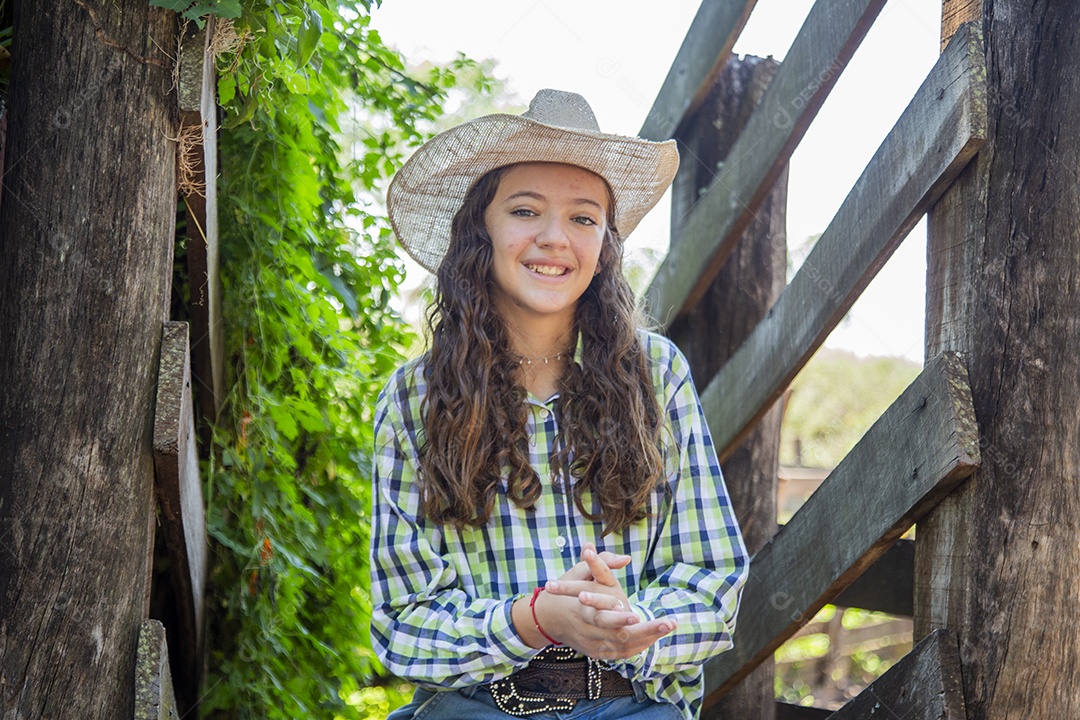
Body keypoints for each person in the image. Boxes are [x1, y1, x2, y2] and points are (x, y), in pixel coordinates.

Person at [370, 89, 748, 720]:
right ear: (479, 230)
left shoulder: (658, 377)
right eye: (525, 210)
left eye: (582, 218)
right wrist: (535, 618)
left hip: (633, 705)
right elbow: (402, 628)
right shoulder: (414, 399)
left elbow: (713, 582)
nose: (554, 239)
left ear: (604, 248)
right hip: (476, 706)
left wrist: (630, 624)